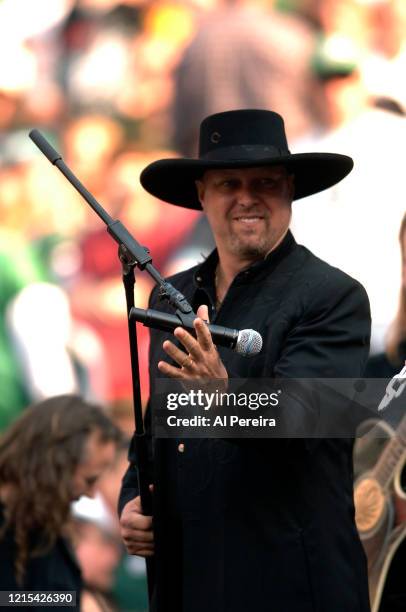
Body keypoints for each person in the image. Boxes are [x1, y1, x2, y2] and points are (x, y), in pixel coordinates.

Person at [119, 109, 372, 612]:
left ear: (290, 190)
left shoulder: (333, 297)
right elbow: (155, 427)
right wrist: (133, 499)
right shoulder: (173, 298)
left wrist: (222, 397)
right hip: (190, 581)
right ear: (202, 194)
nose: (247, 197)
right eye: (229, 183)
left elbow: (307, 422)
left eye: (265, 183)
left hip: (290, 585)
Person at [0, 394, 122, 610]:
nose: (92, 494)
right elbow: (7, 598)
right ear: (56, 465)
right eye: (88, 480)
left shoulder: (42, 519)